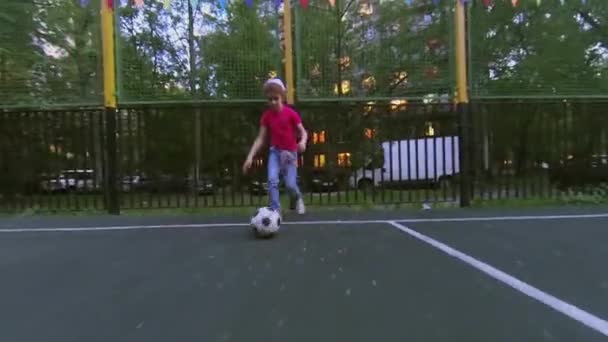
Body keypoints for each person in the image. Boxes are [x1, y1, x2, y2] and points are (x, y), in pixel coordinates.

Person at [242, 78, 307, 215]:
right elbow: (260, 138)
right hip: (275, 153)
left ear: (282, 97)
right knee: (272, 180)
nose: (272, 102)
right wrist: (250, 157)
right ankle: (275, 210)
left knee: (290, 185)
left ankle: (297, 198)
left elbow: (303, 132)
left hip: (290, 153)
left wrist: (302, 142)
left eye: (275, 99)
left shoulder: (291, 114)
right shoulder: (267, 116)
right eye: (269, 99)